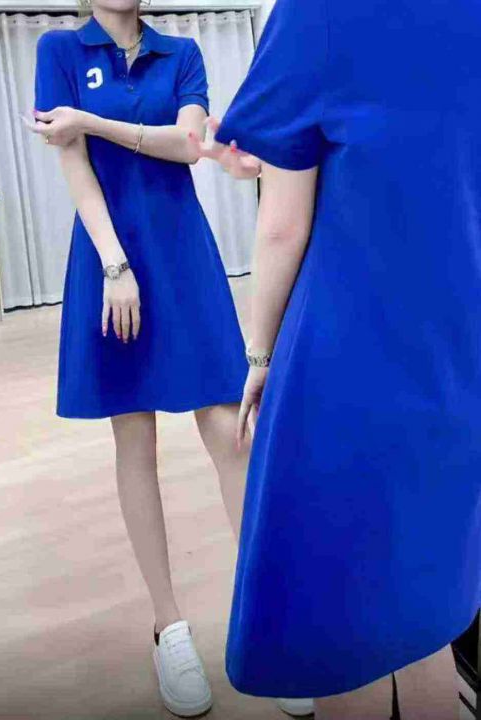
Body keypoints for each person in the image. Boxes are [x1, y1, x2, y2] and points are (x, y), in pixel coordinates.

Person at [193, 0, 481, 717]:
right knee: (425, 618)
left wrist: (259, 353)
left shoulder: (320, 11)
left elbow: (283, 226)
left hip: (349, 363)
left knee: (342, 632)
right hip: (458, 357)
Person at [28, 1, 254, 716]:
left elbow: (188, 145)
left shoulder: (181, 53)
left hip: (183, 253)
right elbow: (72, 165)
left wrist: (90, 121)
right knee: (135, 437)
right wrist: (114, 264)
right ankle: (169, 627)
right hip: (111, 258)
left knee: (231, 431)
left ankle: (266, 623)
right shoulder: (59, 51)